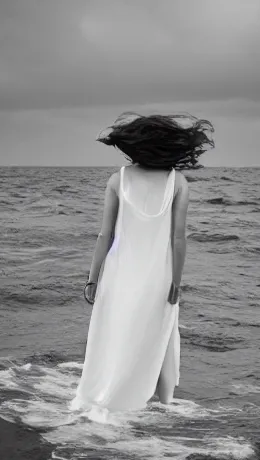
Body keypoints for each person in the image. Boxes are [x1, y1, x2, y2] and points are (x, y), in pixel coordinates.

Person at [69, 112, 214, 415]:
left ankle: (108, 395)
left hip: (119, 276)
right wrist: (176, 282)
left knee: (115, 334)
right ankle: (164, 407)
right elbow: (178, 239)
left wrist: (92, 280)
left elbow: (104, 235)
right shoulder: (178, 182)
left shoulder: (118, 179)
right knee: (160, 335)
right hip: (157, 278)